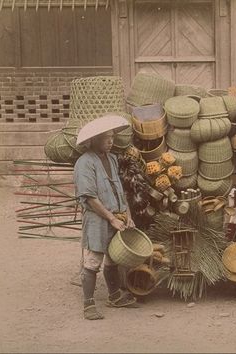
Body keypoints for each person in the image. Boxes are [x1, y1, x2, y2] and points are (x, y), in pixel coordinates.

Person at [74, 114, 137, 320]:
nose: (111, 141)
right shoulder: (84, 163)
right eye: (105, 138)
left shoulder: (112, 159)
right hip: (97, 218)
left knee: (113, 258)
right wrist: (111, 218)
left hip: (117, 216)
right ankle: (88, 304)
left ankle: (114, 295)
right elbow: (90, 197)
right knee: (92, 260)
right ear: (93, 140)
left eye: (112, 137)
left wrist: (127, 214)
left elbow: (120, 190)